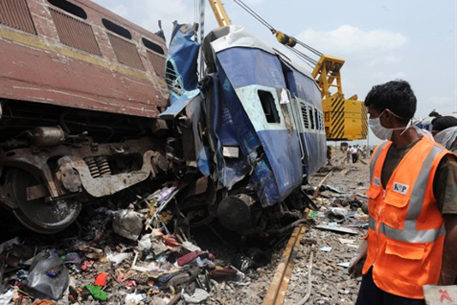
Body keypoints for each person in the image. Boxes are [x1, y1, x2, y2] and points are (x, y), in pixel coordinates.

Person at [349, 80, 457, 305]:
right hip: (375, 272)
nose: (371, 122)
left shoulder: (439, 162)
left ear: (387, 116)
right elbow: (381, 213)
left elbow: (454, 226)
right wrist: (365, 249)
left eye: (372, 115)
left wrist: (444, 290)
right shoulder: (379, 153)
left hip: (413, 286)